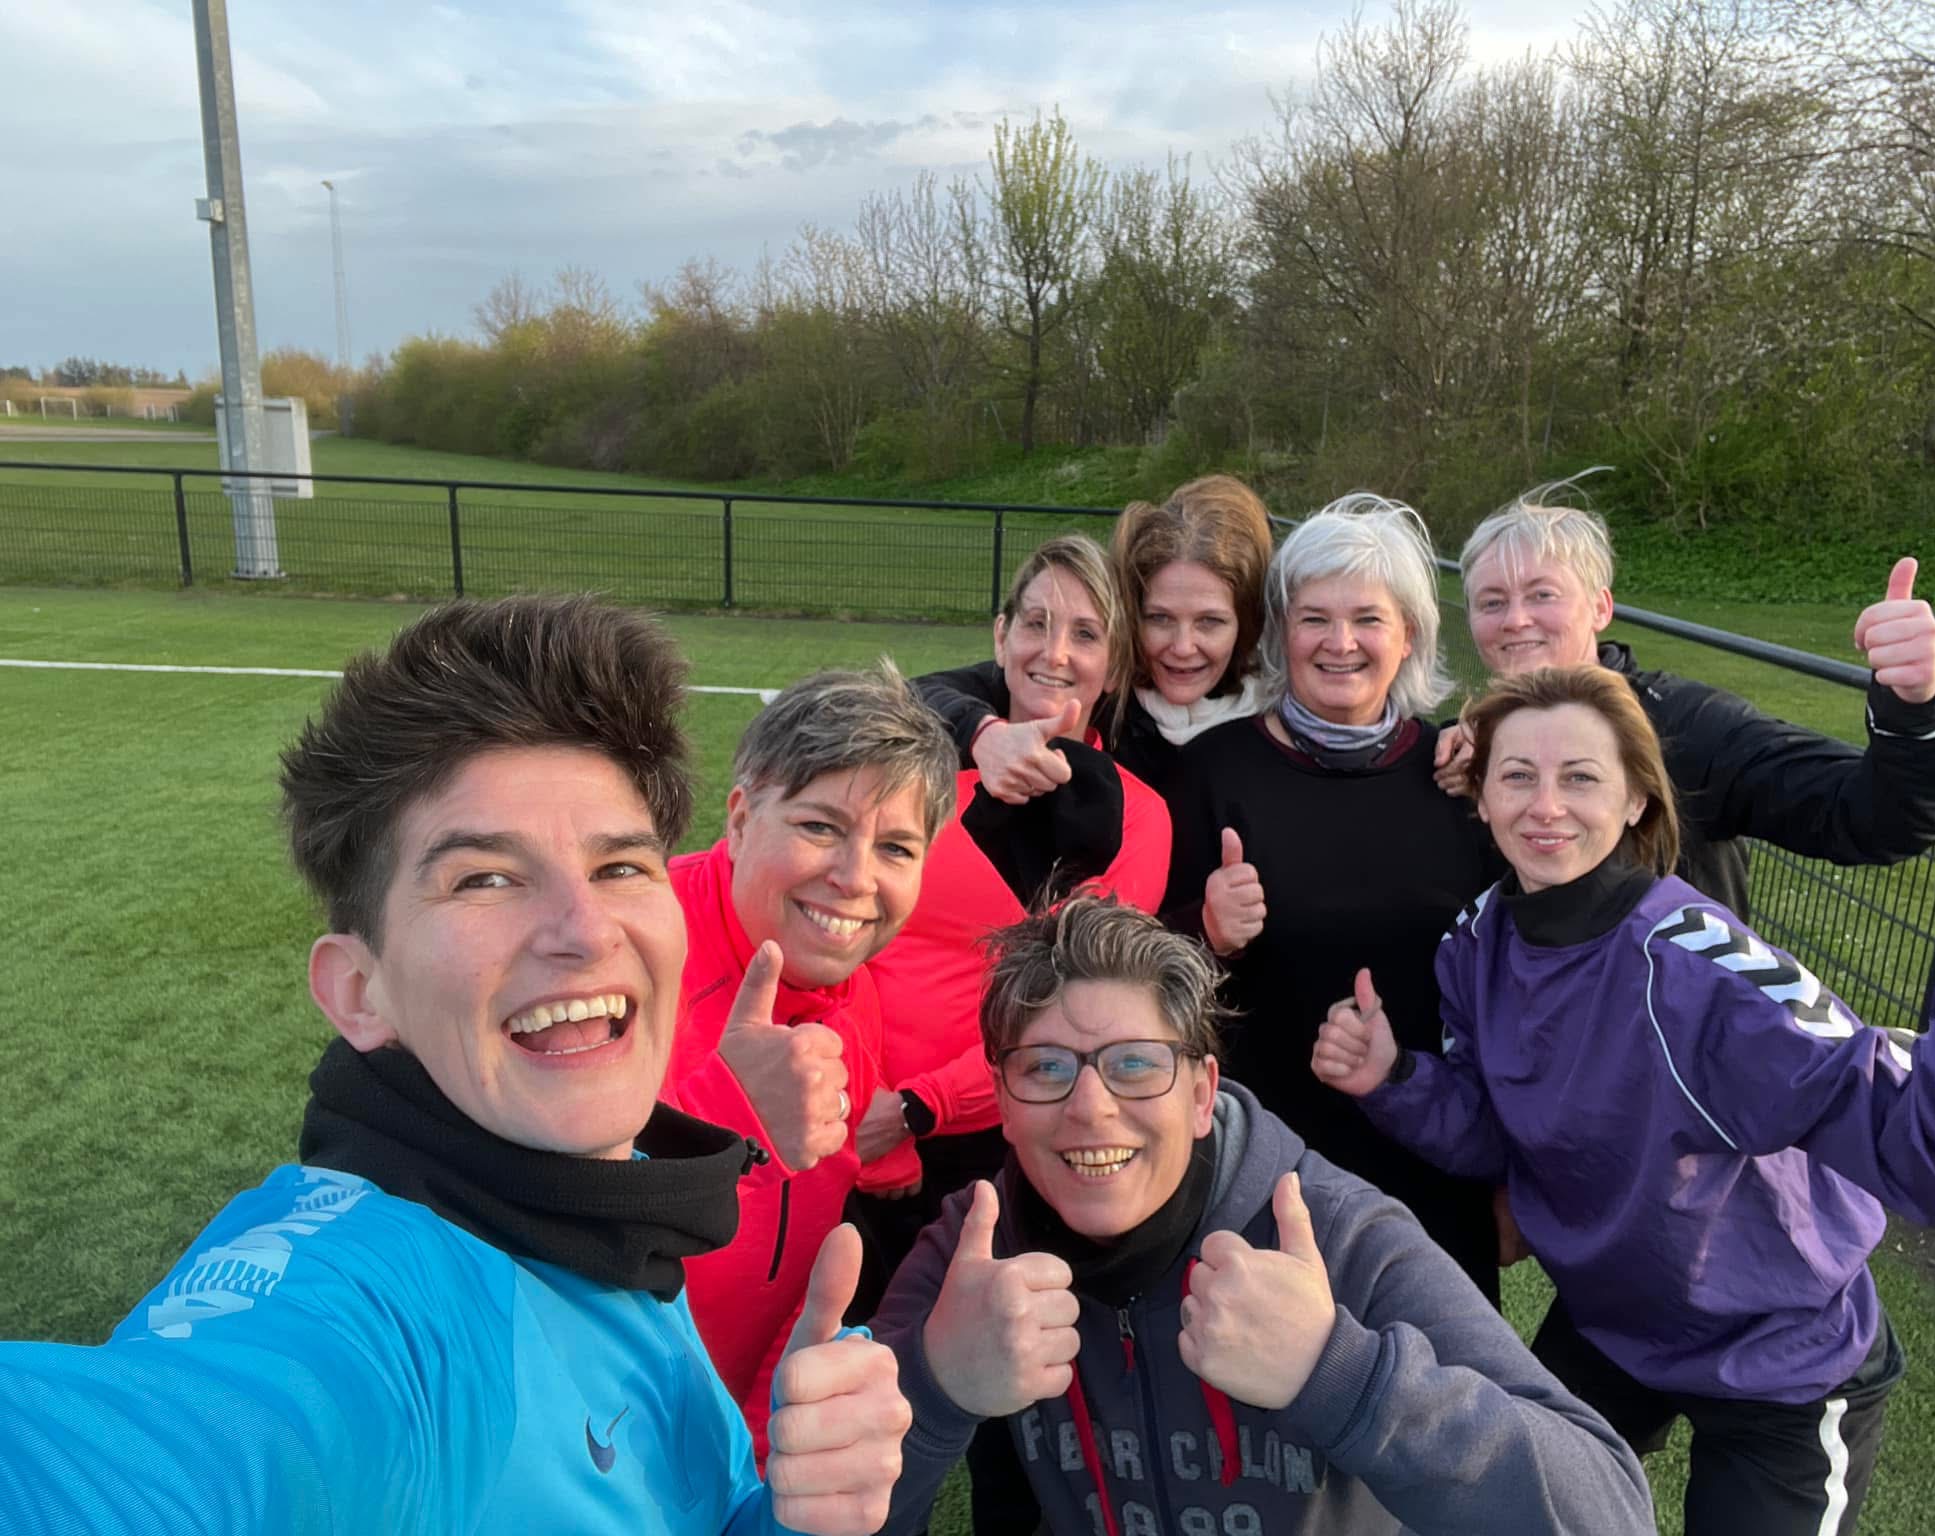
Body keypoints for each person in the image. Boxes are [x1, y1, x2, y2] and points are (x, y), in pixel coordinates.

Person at [0, 595, 911, 1534]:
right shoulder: (372, 1317)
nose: (585, 929)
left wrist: (791, 1519)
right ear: (360, 991)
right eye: (484, 878)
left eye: (619, 868)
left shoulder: (607, 1199)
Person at [1317, 664, 1935, 1534]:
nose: (1545, 806)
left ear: (1635, 799)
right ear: (1481, 797)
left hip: (1782, 1353)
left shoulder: (1702, 967)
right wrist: (1396, 1079)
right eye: (1517, 776)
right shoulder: (1475, 947)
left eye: (1580, 777)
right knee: (1499, 1511)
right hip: (1614, 1327)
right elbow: (1496, 1134)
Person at [869, 895, 1657, 1536]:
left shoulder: (1336, 1234)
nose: (1090, 1107)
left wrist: (1342, 1375)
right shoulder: (971, 1258)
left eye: (1136, 1064)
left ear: (1202, 1093)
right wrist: (932, 1393)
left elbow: (1610, 1514)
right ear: (1002, 1101)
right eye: (1045, 1068)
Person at [856, 537, 1172, 1536]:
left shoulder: (1136, 817)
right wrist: (862, 1114)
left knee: (1012, 1418)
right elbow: (842, 943)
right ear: (999, 636)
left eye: (1085, 633)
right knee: (838, 1398)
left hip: (1001, 1145)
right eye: (1034, 622)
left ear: (1114, 666)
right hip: (849, 1137)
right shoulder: (914, 774)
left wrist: (920, 1107)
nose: (1054, 651)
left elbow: (1068, 1019)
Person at [1162, 496, 1504, 1299]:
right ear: (1282, 633)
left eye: (1368, 619)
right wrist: (1203, 931)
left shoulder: (1467, 778)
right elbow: (1142, 969)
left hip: (1431, 1177)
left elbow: (1515, 992)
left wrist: (1514, 1174)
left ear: (1409, 633)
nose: (1340, 642)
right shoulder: (1211, 772)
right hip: (1258, 1170)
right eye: (1314, 618)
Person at [660, 663, 959, 1464]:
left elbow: (798, 1264)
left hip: (730, 1442)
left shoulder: (848, 983)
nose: (856, 879)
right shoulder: (627, 957)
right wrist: (724, 1111)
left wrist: (761, 1446)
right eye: (821, 827)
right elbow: (520, 1225)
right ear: (740, 819)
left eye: (895, 847)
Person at [1444, 492, 1935, 920]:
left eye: (1542, 595)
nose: (1515, 620)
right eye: (1492, 602)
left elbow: (1880, 818)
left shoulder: (1685, 726)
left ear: (1600, 607)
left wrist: (1916, 706)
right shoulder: (1465, 750)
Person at [913, 474, 1273, 803]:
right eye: (1159, 618)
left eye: (1210, 622)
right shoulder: (1096, 694)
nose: (1182, 647)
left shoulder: (1271, 725)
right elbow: (915, 694)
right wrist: (983, 733)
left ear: (1246, 624)